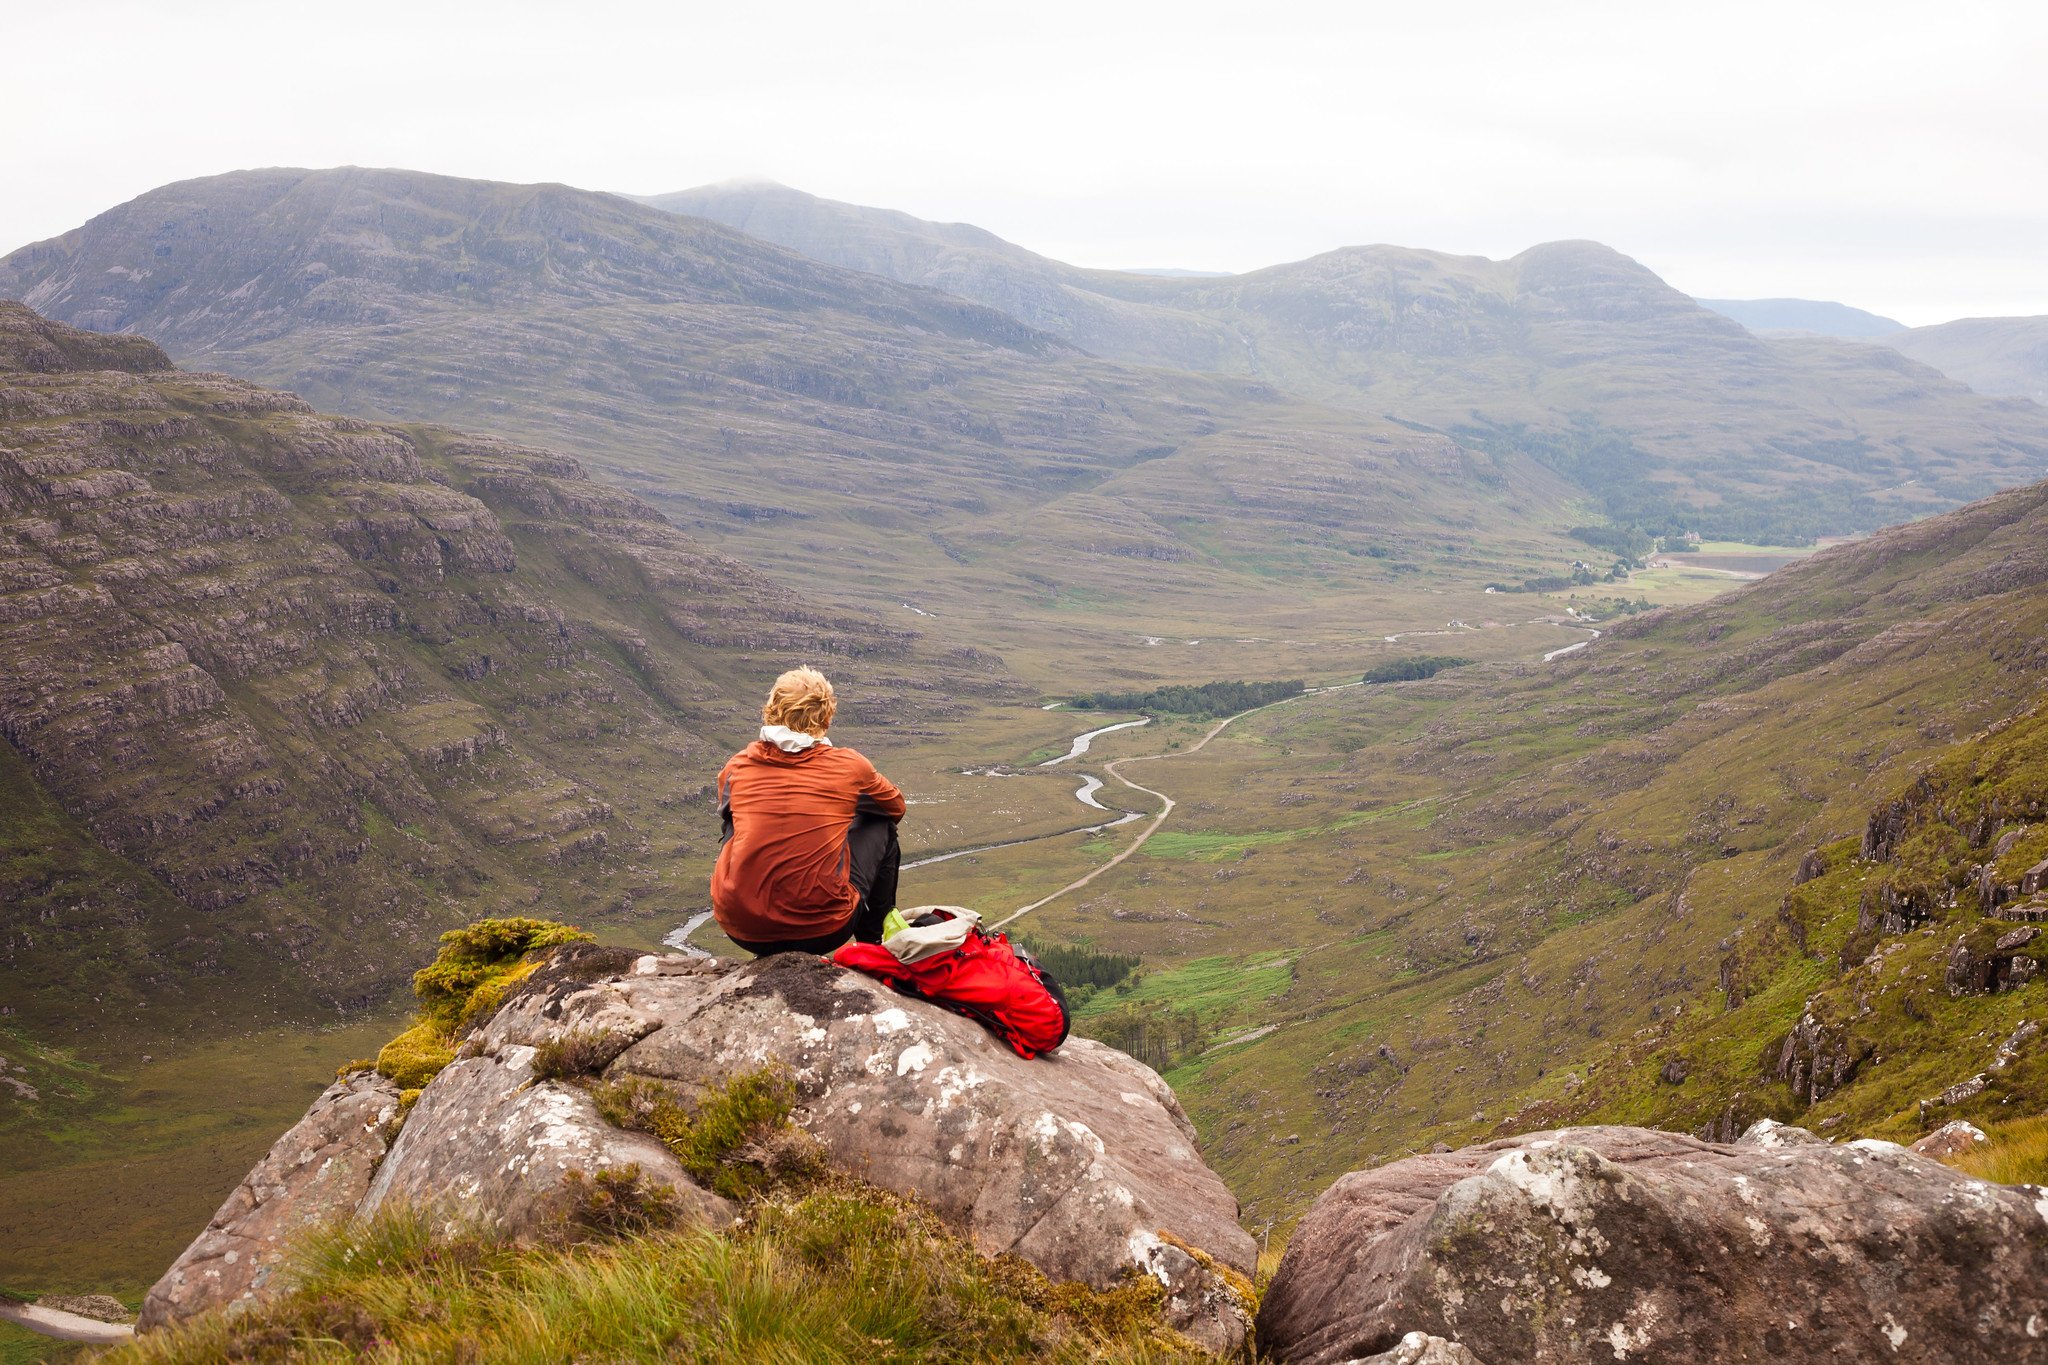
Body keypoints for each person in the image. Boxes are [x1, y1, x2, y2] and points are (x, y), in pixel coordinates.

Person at [710, 666, 906, 955]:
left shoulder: (737, 766)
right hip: (823, 929)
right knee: (881, 824)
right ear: (826, 717)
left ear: (771, 710)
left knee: (734, 818)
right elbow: (895, 807)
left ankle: (750, 898)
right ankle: (874, 943)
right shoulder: (849, 767)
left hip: (743, 929)